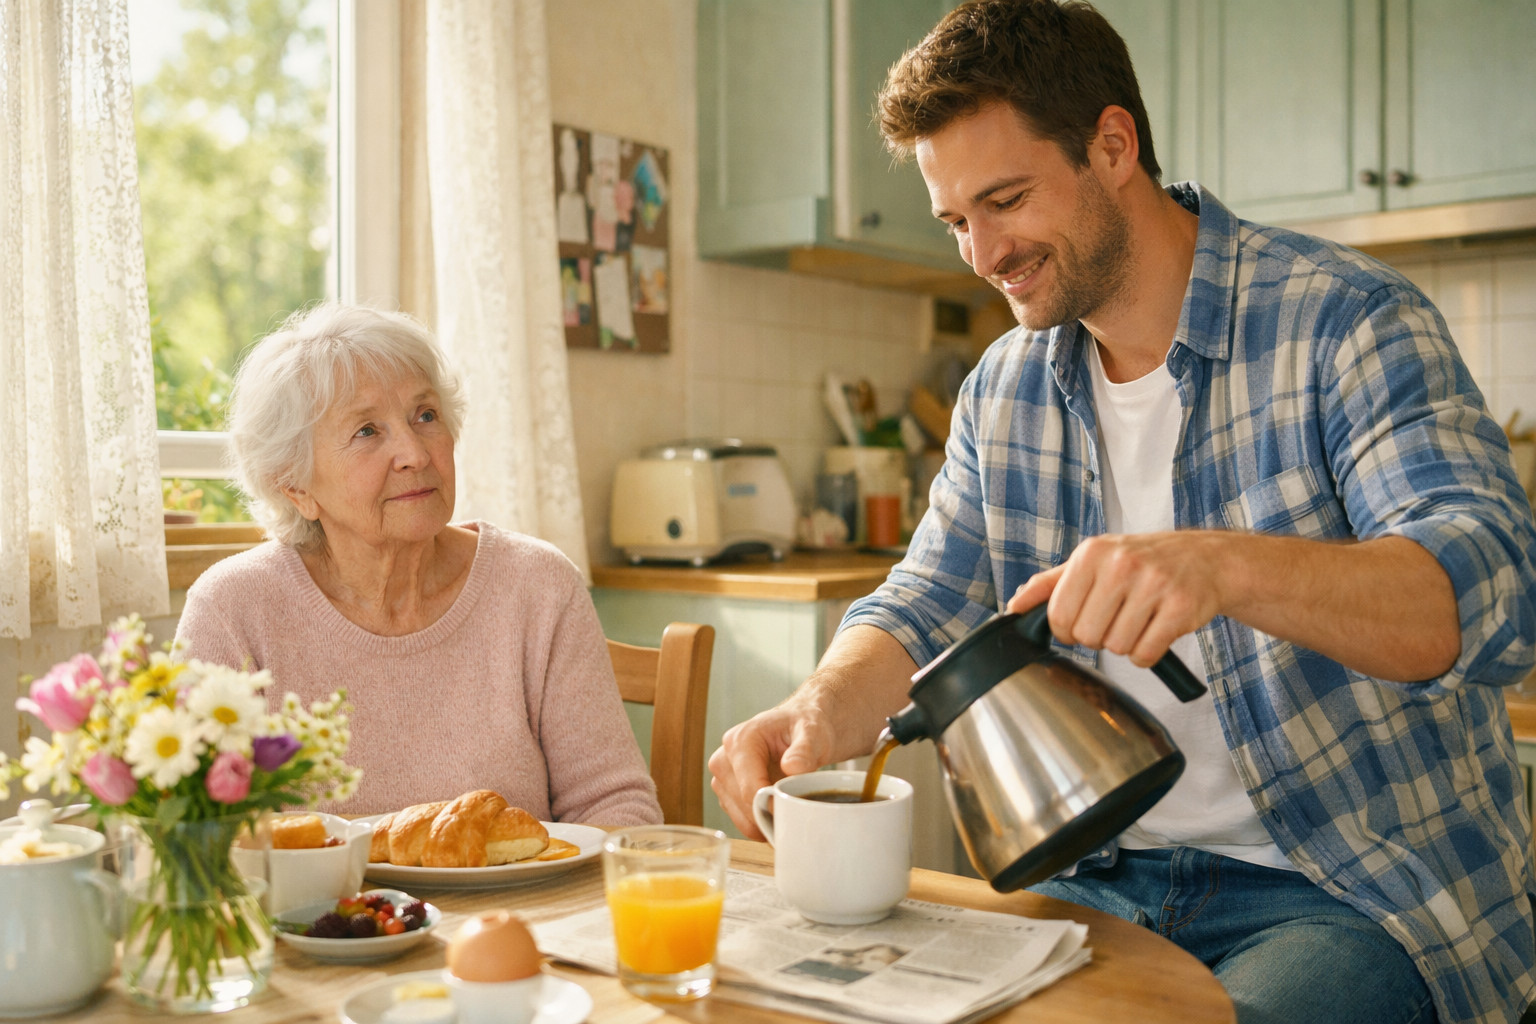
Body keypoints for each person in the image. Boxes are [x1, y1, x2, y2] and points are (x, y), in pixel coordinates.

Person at [708, 3, 1536, 1023]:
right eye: (956, 219)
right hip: (1102, 881)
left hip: (1347, 892)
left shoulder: (1347, 321)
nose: (981, 254)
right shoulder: (1005, 386)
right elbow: (927, 599)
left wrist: (1221, 567)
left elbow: (1491, 590)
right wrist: (821, 709)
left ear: (1112, 145)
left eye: (1004, 200)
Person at [176, 302, 662, 826]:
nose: (414, 452)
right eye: (367, 431)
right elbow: (191, 836)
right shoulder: (233, 609)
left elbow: (616, 806)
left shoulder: (539, 586)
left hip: (522, 910)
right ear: (295, 486)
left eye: (425, 416)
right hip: (315, 911)